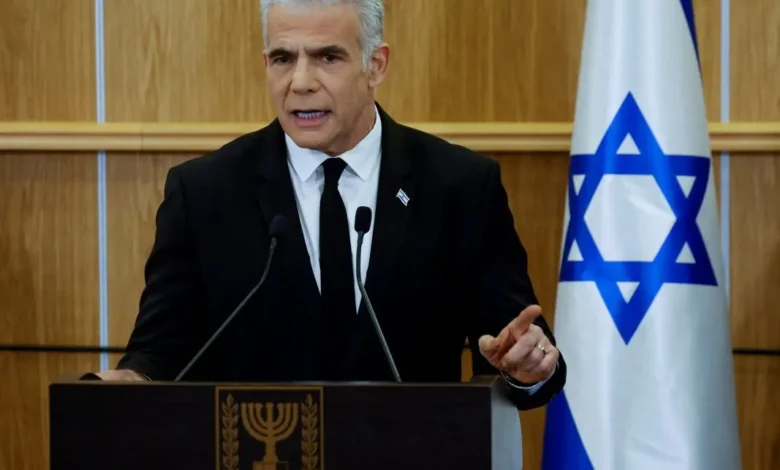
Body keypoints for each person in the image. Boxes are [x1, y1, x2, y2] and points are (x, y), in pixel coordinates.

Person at [94, 0, 566, 411]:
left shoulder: (459, 186)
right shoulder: (204, 193)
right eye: (283, 58)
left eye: (327, 57)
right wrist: (129, 381)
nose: (300, 82)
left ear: (376, 65)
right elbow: (160, 352)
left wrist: (528, 366)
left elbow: (521, 347)